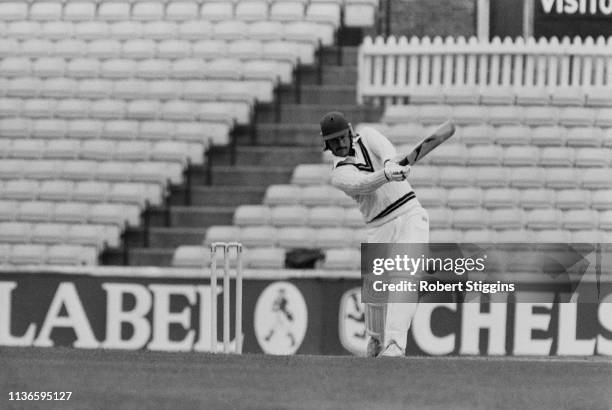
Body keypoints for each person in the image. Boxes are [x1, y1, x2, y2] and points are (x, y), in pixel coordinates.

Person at [319, 111, 430, 357]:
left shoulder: (367, 135)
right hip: (379, 226)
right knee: (375, 294)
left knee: (405, 276)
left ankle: (394, 345)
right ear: (327, 145)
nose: (340, 144)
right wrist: (387, 174)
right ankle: (377, 339)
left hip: (411, 213)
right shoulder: (338, 174)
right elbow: (362, 184)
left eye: (342, 137)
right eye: (334, 141)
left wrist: (391, 163)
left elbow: (386, 149)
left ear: (349, 131)